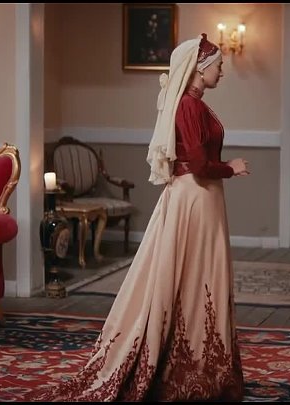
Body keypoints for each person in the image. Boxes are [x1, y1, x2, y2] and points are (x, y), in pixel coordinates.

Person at [31, 33, 248, 401]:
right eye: (219, 65)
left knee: (199, 276)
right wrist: (231, 167)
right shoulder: (189, 106)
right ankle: (189, 366)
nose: (222, 71)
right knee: (194, 276)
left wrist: (222, 171)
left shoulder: (195, 103)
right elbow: (198, 164)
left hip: (201, 197)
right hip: (194, 197)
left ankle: (202, 363)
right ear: (200, 68)